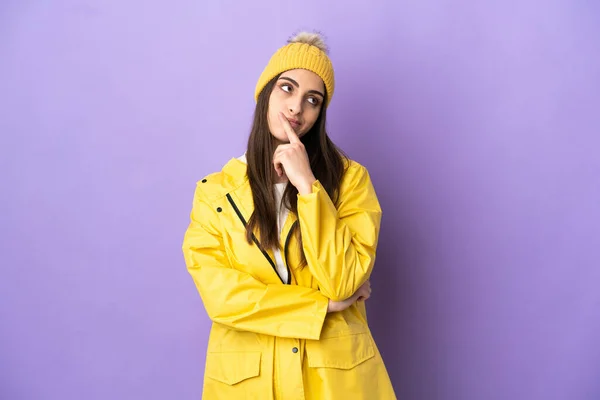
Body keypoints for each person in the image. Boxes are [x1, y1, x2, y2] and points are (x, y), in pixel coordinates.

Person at [182, 31, 396, 399]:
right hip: (249, 383)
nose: (297, 107)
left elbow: (343, 280)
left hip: (334, 382)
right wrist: (320, 308)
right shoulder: (214, 193)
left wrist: (308, 186)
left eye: (312, 100)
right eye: (287, 88)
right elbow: (223, 298)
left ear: (319, 114)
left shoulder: (350, 180)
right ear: (265, 91)